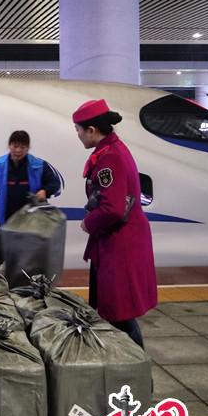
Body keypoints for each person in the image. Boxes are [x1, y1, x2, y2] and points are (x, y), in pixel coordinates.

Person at [73, 99, 157, 349]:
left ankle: (137, 364)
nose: (77, 135)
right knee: (115, 311)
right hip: (117, 241)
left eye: (78, 129)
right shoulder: (112, 150)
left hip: (120, 244)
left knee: (120, 314)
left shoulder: (111, 157)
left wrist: (89, 223)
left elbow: (113, 209)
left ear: (91, 130)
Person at [0, 130, 62, 268]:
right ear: (9, 145)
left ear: (28, 148)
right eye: (15, 146)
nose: (18, 150)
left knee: (28, 261)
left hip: (30, 223)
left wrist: (45, 191)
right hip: (5, 220)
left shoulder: (38, 165)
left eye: (22, 147)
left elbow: (54, 183)